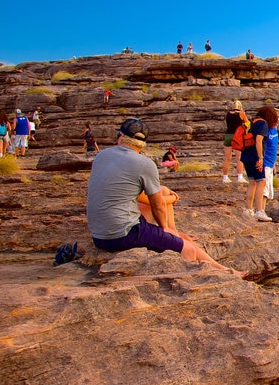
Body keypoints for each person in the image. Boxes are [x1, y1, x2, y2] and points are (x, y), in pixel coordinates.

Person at [86, 118, 244, 276]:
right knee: (188, 249)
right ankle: (221, 272)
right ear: (142, 143)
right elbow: (157, 205)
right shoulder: (144, 164)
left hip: (98, 235)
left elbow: (142, 197)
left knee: (163, 190)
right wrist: (164, 227)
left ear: (121, 137)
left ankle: (175, 233)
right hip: (123, 234)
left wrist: (168, 202)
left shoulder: (102, 156)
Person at [241, 106, 279, 222]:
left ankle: (249, 209)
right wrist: (260, 158)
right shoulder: (264, 125)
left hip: (249, 157)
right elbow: (259, 141)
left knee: (253, 182)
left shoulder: (254, 122)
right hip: (259, 160)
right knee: (261, 183)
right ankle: (259, 211)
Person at [221, 100, 249, 183]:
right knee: (239, 158)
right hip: (237, 136)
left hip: (228, 135)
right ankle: (240, 177)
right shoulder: (241, 113)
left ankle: (225, 177)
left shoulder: (228, 114)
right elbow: (248, 124)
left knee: (227, 158)